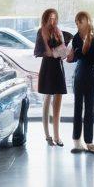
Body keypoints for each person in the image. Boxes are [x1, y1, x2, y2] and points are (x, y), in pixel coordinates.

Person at [67, 11, 94, 155]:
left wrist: (79, 53)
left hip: (92, 74)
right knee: (77, 107)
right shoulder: (76, 37)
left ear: (87, 20)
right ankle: (76, 141)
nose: (78, 25)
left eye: (80, 22)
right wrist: (71, 57)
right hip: (80, 74)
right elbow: (76, 58)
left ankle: (89, 141)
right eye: (76, 22)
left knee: (90, 109)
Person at [34, 8, 67, 146]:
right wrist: (51, 50)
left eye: (54, 18)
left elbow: (63, 51)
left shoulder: (58, 31)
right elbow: (39, 52)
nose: (52, 21)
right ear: (45, 19)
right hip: (47, 66)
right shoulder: (41, 31)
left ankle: (57, 136)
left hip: (58, 66)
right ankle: (48, 135)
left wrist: (57, 52)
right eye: (50, 18)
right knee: (47, 99)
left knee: (58, 100)